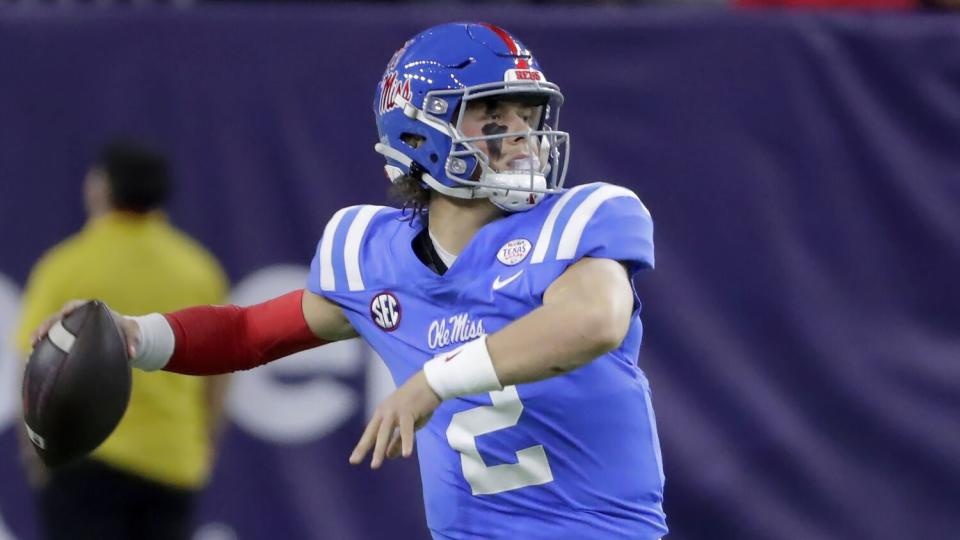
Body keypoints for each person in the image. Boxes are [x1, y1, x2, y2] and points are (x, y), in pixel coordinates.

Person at [33, 23, 667, 539]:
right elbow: (250, 332)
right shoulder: (375, 254)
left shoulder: (579, 218)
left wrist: (435, 380)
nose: (521, 137)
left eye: (528, 116)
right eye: (492, 115)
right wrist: (135, 335)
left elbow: (593, 321)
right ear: (419, 131)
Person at [17, 139, 230, 540]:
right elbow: (221, 371)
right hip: (171, 463)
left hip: (83, 461)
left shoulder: (66, 265)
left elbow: (32, 366)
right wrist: (203, 447)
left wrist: (36, 455)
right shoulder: (200, 270)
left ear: (101, 187)